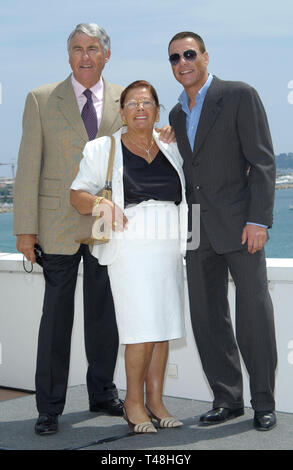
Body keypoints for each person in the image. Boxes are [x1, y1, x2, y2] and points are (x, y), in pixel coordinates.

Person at [13, 23, 125, 435]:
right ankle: (49, 407)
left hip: (105, 226)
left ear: (106, 55)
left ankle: (102, 393)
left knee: (103, 316)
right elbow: (27, 169)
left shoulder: (125, 99)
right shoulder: (41, 99)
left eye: (92, 48)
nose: (84, 56)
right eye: (77, 48)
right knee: (56, 320)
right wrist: (25, 229)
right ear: (68, 55)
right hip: (56, 226)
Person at [168, 31, 277, 431]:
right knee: (207, 317)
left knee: (253, 315)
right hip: (198, 230)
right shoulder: (177, 115)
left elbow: (263, 162)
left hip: (241, 225)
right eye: (175, 58)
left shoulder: (239, 95)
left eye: (189, 54)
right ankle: (227, 399)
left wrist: (258, 219)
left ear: (206, 57)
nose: (183, 62)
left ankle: (263, 401)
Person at [70, 80, 187, 433]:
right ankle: (133, 402)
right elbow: (76, 195)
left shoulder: (171, 147)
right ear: (121, 112)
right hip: (129, 250)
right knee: (140, 329)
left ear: (157, 110)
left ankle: (156, 400)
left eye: (147, 103)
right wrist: (101, 203)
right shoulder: (101, 149)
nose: (140, 108)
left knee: (164, 326)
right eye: (133, 103)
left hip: (168, 248)